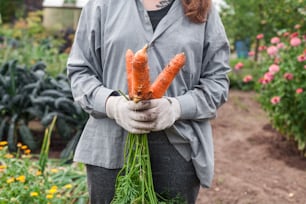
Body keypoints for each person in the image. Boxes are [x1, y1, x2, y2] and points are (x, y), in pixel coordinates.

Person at [67, 0, 231, 203]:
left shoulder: (203, 9)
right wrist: (112, 105)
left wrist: (177, 108)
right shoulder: (102, 4)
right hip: (109, 148)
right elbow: (80, 72)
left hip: (178, 150)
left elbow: (217, 82)